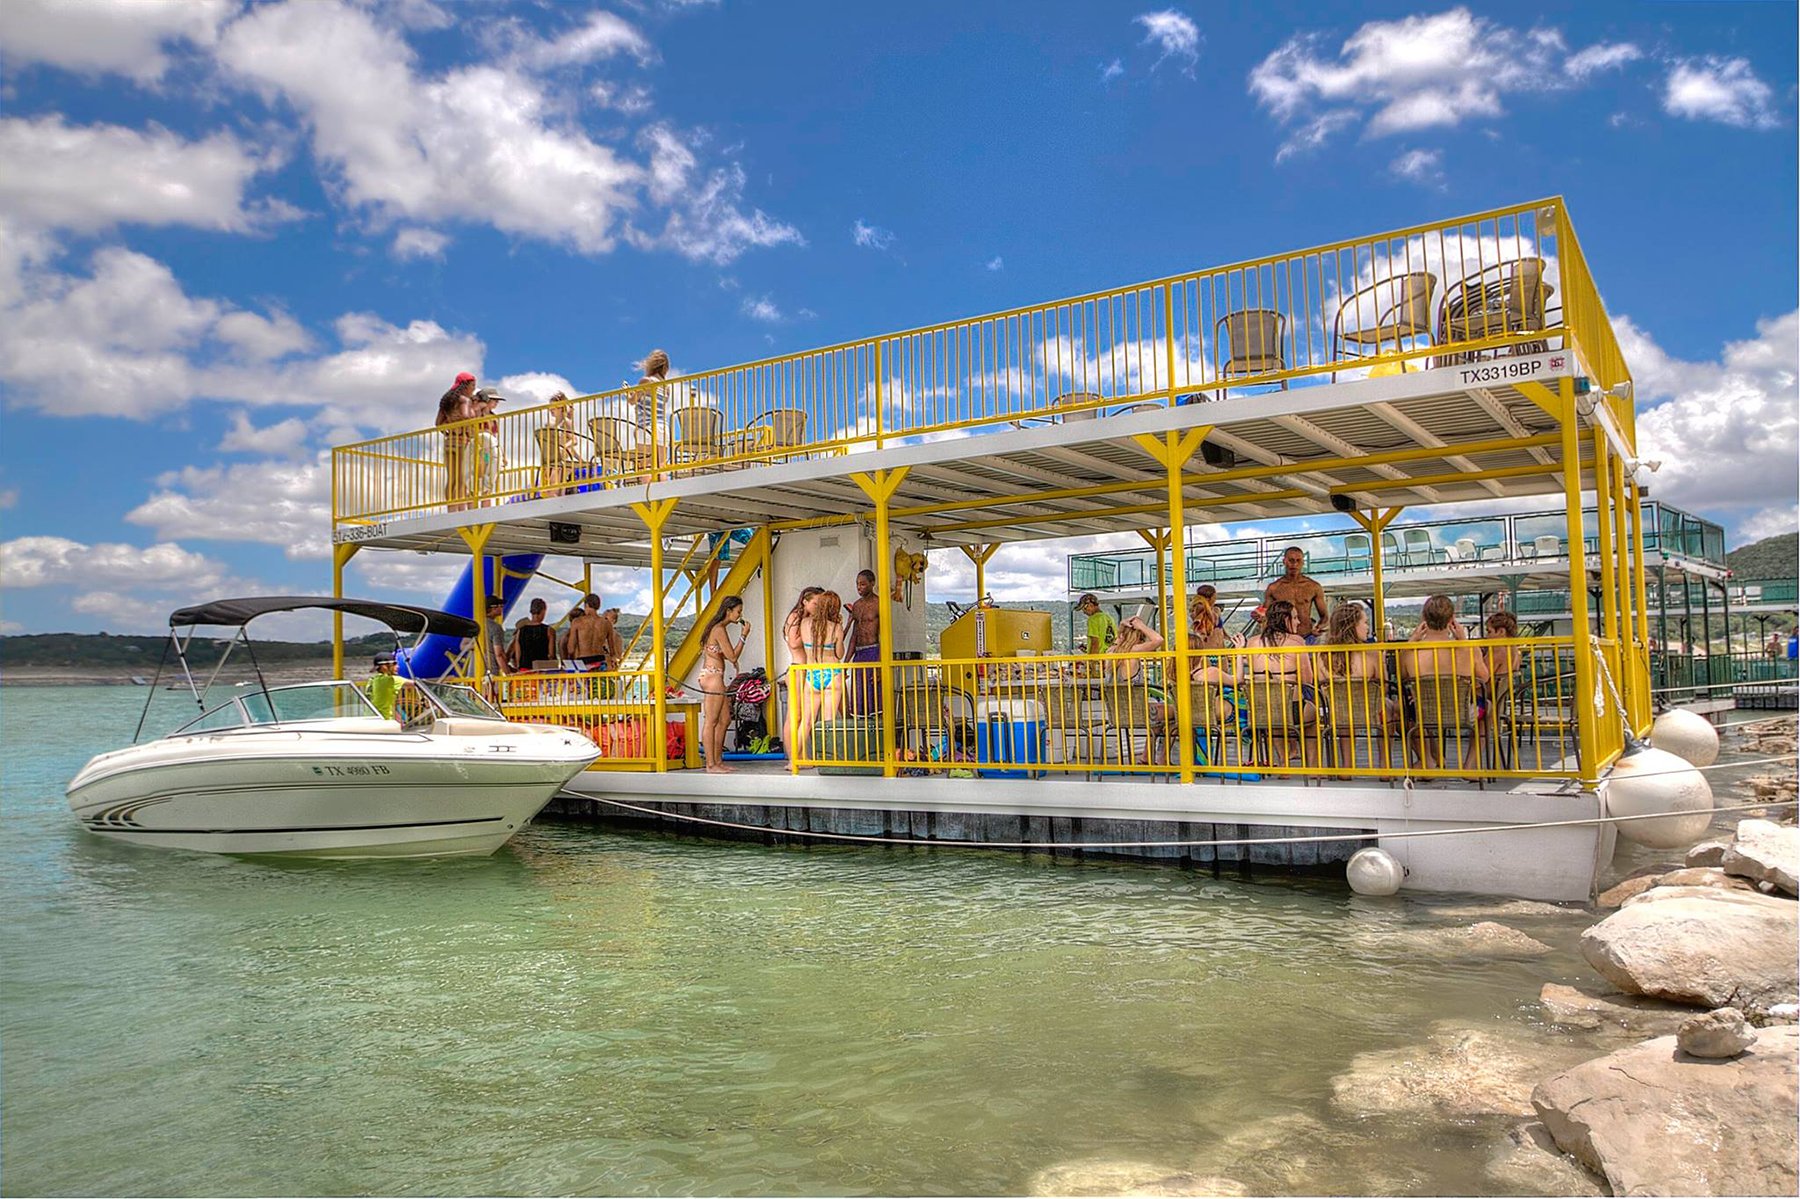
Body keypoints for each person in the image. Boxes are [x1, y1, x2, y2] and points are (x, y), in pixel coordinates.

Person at [1397, 595, 1489, 771]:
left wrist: (1411, 641)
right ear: (1452, 619)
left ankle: (1426, 760)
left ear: (1424, 619)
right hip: (1461, 713)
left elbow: (1402, 677)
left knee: (1403, 709)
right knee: (1488, 709)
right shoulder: (1468, 650)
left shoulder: (1410, 652)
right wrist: (1463, 640)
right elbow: (1484, 679)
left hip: (1423, 713)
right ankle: (1470, 765)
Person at [1244, 598, 1317, 765]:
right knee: (1312, 714)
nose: (1298, 622)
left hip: (1261, 712)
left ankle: (1284, 763)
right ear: (1286, 620)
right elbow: (1308, 680)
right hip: (1293, 711)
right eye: (1295, 617)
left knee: (1274, 717)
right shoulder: (1297, 643)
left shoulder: (1252, 643)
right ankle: (1313, 766)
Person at [1319, 601, 1389, 773]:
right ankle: (1385, 763)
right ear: (1352, 626)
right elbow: (1384, 687)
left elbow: (1320, 687)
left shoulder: (1322, 656)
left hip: (1338, 713)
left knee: (1343, 714)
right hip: (1370, 711)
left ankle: (1347, 765)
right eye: (1364, 623)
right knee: (1390, 709)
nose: (1367, 628)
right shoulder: (1372, 655)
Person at [1106, 614, 1174, 764]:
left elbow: (1118, 641)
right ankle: (1163, 759)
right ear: (1139, 638)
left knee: (1161, 721)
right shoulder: (1133, 651)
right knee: (1178, 712)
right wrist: (1142, 626)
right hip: (1138, 711)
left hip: (1116, 711)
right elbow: (1158, 640)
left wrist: (1122, 629)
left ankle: (1146, 758)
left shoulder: (1110, 652)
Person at [696, 596, 748, 774]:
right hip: (713, 677)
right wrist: (743, 636)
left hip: (715, 676)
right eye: (738, 611)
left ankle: (718, 760)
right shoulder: (719, 629)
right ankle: (711, 764)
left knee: (725, 719)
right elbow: (733, 656)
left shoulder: (718, 628)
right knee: (711, 721)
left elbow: (726, 655)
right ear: (729, 611)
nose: (739, 615)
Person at [797, 590, 846, 763]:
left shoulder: (804, 624)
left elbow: (799, 644)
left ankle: (793, 760)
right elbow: (839, 654)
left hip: (812, 674)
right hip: (832, 674)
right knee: (828, 721)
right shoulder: (836, 628)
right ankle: (828, 758)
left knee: (807, 721)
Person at [1262, 546, 1330, 640]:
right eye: (1291, 560)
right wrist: (1257, 615)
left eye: (1298, 560)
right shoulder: (1274, 588)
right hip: (1283, 639)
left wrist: (1318, 627)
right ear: (1284, 561)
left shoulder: (1313, 586)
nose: (1294, 564)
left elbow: (1325, 616)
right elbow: (1265, 615)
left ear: (1302, 563)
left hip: (1307, 636)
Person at [436, 371, 478, 512]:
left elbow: (438, 423)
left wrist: (448, 431)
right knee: (462, 477)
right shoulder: (464, 400)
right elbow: (466, 417)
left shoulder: (447, 401)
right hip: (463, 441)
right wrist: (473, 425)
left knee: (452, 478)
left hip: (450, 442)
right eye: (472, 385)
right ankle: (459, 510)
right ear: (465, 386)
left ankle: (451, 509)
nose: (473, 388)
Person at [538, 392, 583, 497]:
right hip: (553, 457)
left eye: (553, 407)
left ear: (560, 407)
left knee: (555, 482)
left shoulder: (566, 422)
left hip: (562, 457)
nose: (550, 410)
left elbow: (574, 440)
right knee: (551, 483)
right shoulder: (551, 424)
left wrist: (564, 448)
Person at [468, 387, 505, 505]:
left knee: (488, 479)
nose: (497, 403)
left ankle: (485, 506)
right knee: (474, 479)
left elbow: (495, 437)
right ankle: (472, 509)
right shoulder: (476, 415)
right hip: (477, 450)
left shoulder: (493, 418)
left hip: (489, 451)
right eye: (494, 400)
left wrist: (503, 455)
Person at [563, 593, 612, 671]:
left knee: (585, 683)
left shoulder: (577, 622)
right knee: (599, 683)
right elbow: (612, 649)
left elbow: (571, 649)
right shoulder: (607, 624)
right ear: (598, 606)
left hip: (583, 662)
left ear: (586, 605)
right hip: (600, 661)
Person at [509, 598, 555, 672]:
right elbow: (551, 654)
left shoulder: (520, 631)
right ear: (543, 611)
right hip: (542, 669)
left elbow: (518, 653)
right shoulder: (549, 630)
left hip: (524, 669)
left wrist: (518, 666)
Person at [363, 651, 407, 720]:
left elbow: (385, 704)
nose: (398, 666)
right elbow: (416, 684)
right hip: (383, 720)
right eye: (394, 664)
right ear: (384, 666)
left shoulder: (373, 679)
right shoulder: (389, 680)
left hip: (371, 717)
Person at [1076, 593, 1117, 658]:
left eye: (1084, 609)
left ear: (1090, 605)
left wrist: (1091, 661)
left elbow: (1095, 642)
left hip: (1099, 659)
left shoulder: (1093, 619)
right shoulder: (1109, 618)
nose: (1084, 612)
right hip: (1110, 657)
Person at [481, 595, 510, 678]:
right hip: (490, 672)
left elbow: (463, 645)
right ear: (493, 608)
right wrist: (508, 674)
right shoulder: (495, 627)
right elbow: (499, 654)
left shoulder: (476, 624)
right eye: (500, 606)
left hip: (473, 671)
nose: (502, 609)